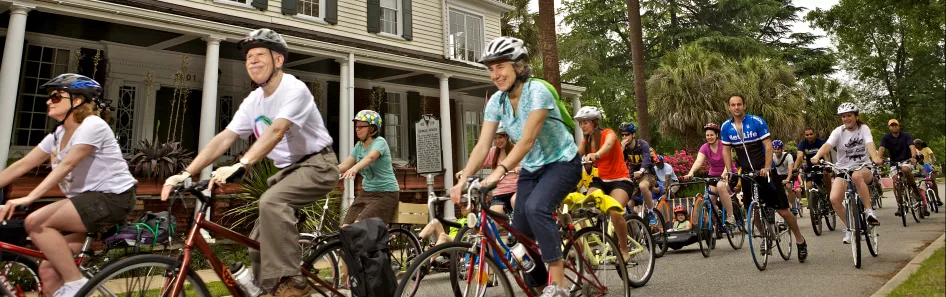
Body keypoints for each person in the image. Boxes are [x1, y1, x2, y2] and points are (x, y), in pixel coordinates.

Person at [161, 29, 338, 296]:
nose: (252, 61)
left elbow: (277, 131)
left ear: (278, 60)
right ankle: (266, 289)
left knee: (272, 202)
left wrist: (240, 164)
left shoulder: (294, 89)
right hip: (288, 171)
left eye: (259, 55)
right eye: (248, 57)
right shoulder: (254, 101)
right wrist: (185, 173)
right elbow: (224, 138)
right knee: (257, 240)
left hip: (318, 164)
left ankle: (294, 282)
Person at [451, 36, 581, 297]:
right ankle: (543, 288)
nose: (495, 74)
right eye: (491, 69)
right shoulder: (497, 102)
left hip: (562, 162)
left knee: (537, 208)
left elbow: (527, 140)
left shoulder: (537, 92)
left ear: (518, 67)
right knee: (519, 235)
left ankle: (559, 282)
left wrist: (499, 172)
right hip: (532, 169)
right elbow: (482, 145)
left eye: (500, 66)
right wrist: (463, 178)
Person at [0, 74, 136, 296]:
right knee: (49, 272)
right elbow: (23, 164)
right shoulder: (58, 134)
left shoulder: (93, 125)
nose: (48, 101)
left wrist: (29, 198)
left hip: (112, 198)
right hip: (86, 201)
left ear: (76, 101)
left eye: (55, 97)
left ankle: (76, 284)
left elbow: (69, 164)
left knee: (35, 222)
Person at [720, 94, 808, 262]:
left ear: (744, 106)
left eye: (739, 104)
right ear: (729, 107)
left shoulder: (756, 121)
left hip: (765, 172)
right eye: (733, 105)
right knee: (753, 213)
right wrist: (730, 170)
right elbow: (726, 150)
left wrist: (767, 167)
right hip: (746, 173)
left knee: (783, 210)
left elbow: (768, 145)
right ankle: (763, 237)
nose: (736, 107)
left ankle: (800, 240)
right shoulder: (726, 127)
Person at [810, 103, 883, 244]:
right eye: (843, 116)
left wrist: (874, 157)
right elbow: (828, 145)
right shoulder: (838, 131)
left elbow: (869, 144)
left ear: (856, 116)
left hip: (863, 167)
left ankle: (869, 212)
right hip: (843, 169)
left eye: (849, 115)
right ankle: (851, 228)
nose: (846, 118)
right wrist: (817, 156)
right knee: (834, 199)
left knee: (857, 176)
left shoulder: (864, 129)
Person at [575, 106, 633, 260]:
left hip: (620, 180)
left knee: (615, 211)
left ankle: (623, 248)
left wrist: (596, 154)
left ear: (594, 122)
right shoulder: (585, 142)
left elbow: (608, 146)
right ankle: (583, 247)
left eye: (585, 122)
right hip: (601, 181)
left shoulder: (609, 134)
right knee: (584, 207)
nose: (582, 126)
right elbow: (573, 156)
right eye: (580, 123)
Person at [338, 109, 401, 226]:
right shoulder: (359, 146)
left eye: (361, 126)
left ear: (372, 128)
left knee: (359, 225)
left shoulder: (380, 142)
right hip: (366, 192)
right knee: (345, 227)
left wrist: (354, 169)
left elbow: (370, 158)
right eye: (356, 126)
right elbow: (345, 165)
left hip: (386, 193)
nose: (357, 129)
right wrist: (326, 172)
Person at [682, 123, 738, 225]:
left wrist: (725, 173)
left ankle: (731, 216)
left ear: (717, 135)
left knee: (721, 186)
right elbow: (698, 161)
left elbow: (728, 162)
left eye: (711, 135)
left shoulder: (724, 145)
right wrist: (691, 172)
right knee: (709, 198)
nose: (709, 137)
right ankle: (717, 221)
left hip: (729, 174)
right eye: (707, 135)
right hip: (713, 176)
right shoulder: (704, 147)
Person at [878, 119, 927, 216]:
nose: (894, 127)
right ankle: (900, 205)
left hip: (906, 160)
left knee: (905, 169)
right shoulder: (886, 138)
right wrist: (879, 158)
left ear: (898, 126)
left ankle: (916, 191)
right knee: (896, 181)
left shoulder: (906, 135)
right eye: (892, 125)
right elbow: (882, 148)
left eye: (895, 125)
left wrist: (913, 157)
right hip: (894, 162)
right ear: (889, 127)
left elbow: (912, 147)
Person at [619, 122, 660, 220]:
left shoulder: (642, 144)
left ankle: (651, 212)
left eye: (627, 134)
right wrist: (621, 149)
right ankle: (634, 227)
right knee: (628, 204)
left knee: (643, 186)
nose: (624, 137)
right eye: (623, 135)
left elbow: (647, 159)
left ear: (633, 135)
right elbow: (619, 162)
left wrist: (641, 171)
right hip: (633, 176)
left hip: (647, 173)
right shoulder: (624, 148)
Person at [480, 123, 520, 214]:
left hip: (516, 190)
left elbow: (527, 165)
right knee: (495, 222)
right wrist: (465, 171)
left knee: (515, 202)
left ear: (506, 137)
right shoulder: (493, 152)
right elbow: (479, 163)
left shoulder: (516, 150)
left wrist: (520, 169)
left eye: (500, 137)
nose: (497, 141)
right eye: (495, 138)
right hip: (500, 192)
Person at [794, 128, 834, 200]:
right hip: (810, 167)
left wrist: (828, 165)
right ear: (804, 136)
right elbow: (799, 156)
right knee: (809, 186)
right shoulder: (802, 144)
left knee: (827, 178)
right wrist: (795, 168)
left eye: (811, 134)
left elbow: (826, 155)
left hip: (822, 165)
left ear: (815, 134)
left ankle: (829, 197)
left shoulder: (821, 142)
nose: (809, 136)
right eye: (807, 135)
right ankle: (812, 204)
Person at [772, 140, 798, 215]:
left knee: (789, 187)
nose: (777, 151)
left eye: (778, 149)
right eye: (775, 149)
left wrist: (787, 179)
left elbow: (790, 169)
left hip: (787, 174)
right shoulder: (772, 156)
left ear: (782, 149)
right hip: (777, 175)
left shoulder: (788, 156)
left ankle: (793, 206)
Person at [915, 139, 941, 205]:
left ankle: (937, 198)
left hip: (928, 166)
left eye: (916, 144)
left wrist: (933, 162)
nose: (915, 146)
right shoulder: (915, 150)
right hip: (919, 167)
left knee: (933, 180)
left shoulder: (926, 149)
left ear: (919, 144)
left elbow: (932, 156)